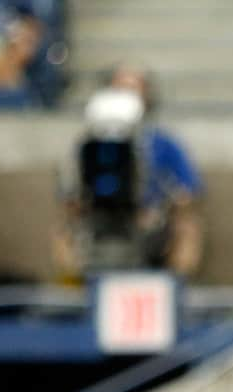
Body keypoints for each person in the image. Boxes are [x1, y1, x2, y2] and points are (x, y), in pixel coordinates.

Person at [52, 64, 204, 279]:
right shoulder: (86, 145)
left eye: (135, 89)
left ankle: (174, 289)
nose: (127, 95)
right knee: (63, 229)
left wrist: (160, 208)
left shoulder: (163, 143)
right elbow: (68, 193)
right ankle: (76, 296)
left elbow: (188, 193)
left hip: (150, 221)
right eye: (120, 88)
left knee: (188, 227)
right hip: (96, 217)